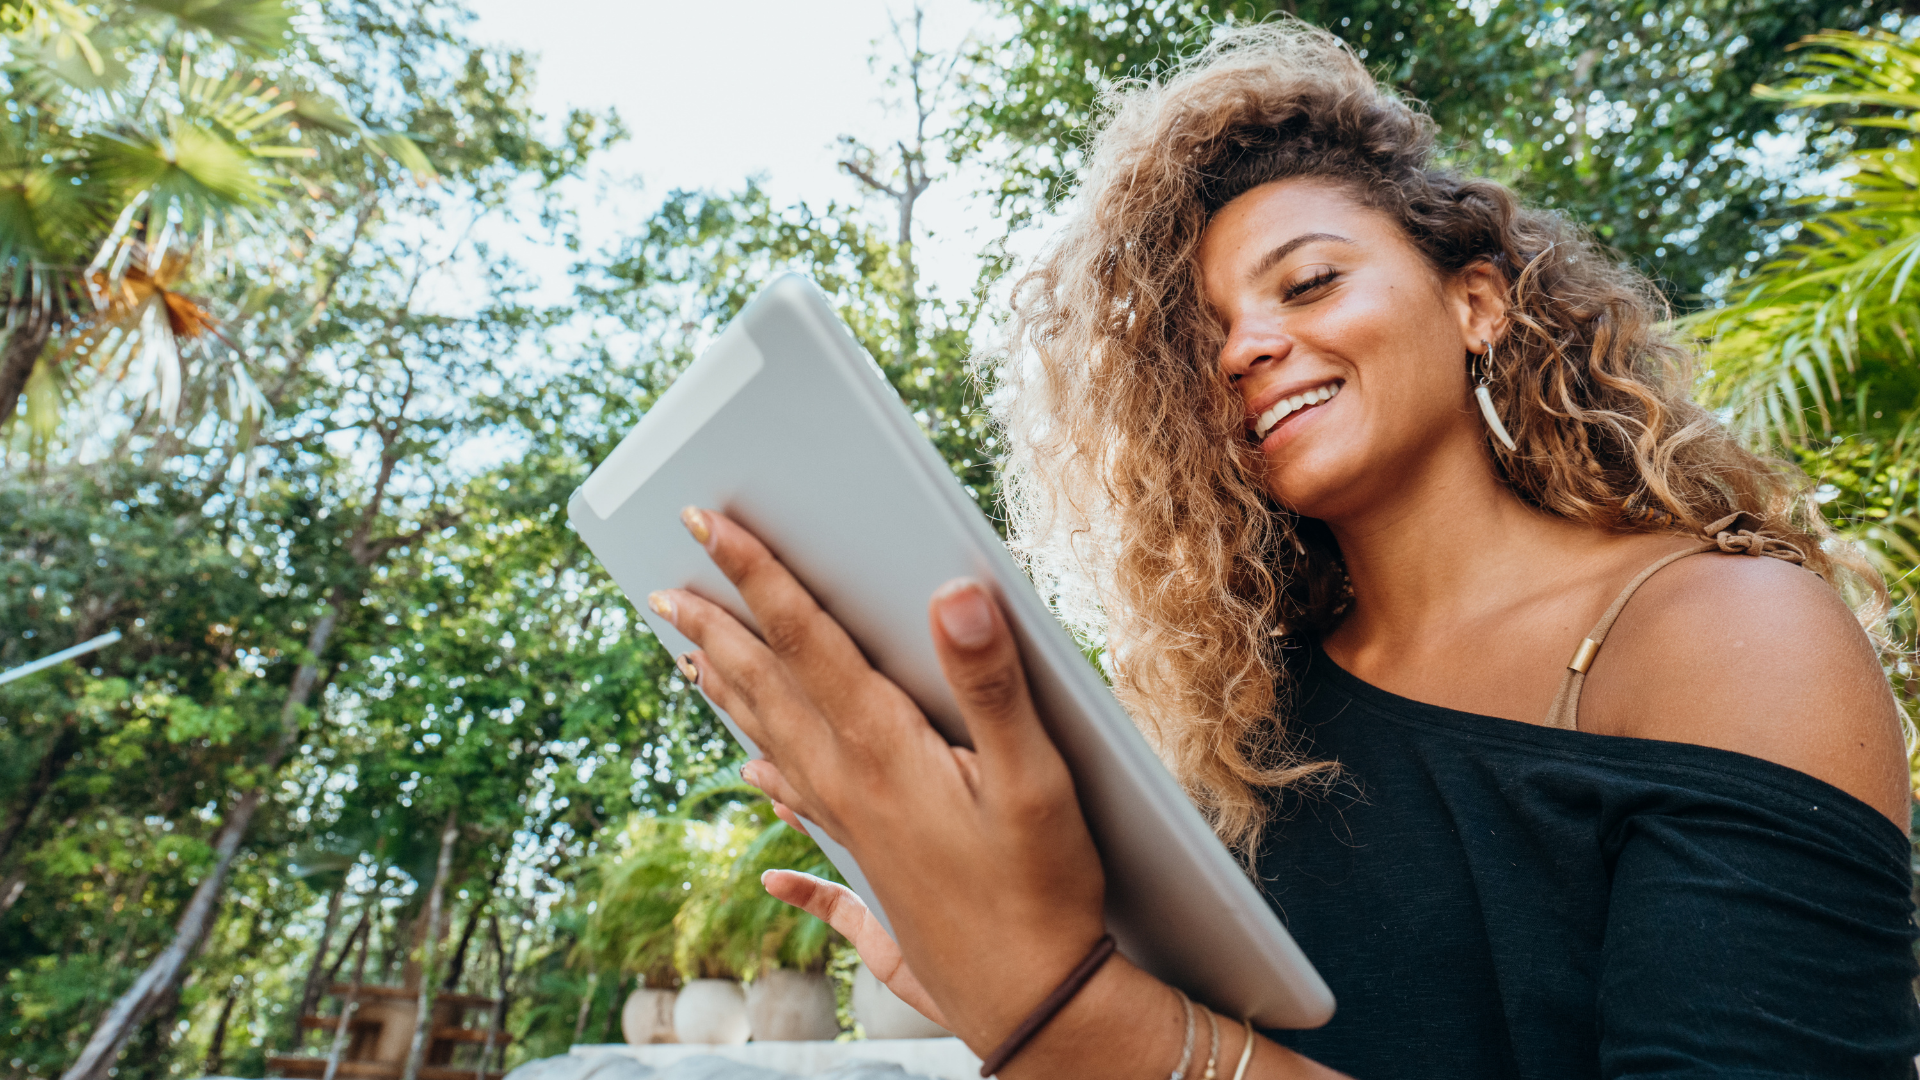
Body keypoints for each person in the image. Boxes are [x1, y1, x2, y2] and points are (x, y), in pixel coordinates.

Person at [643, 20, 1920, 1080]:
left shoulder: (1728, 635)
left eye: (1308, 284)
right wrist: (992, 979)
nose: (1247, 346)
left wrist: (1072, 1009)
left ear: (1473, 302)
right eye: (1205, 338)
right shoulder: (1241, 730)